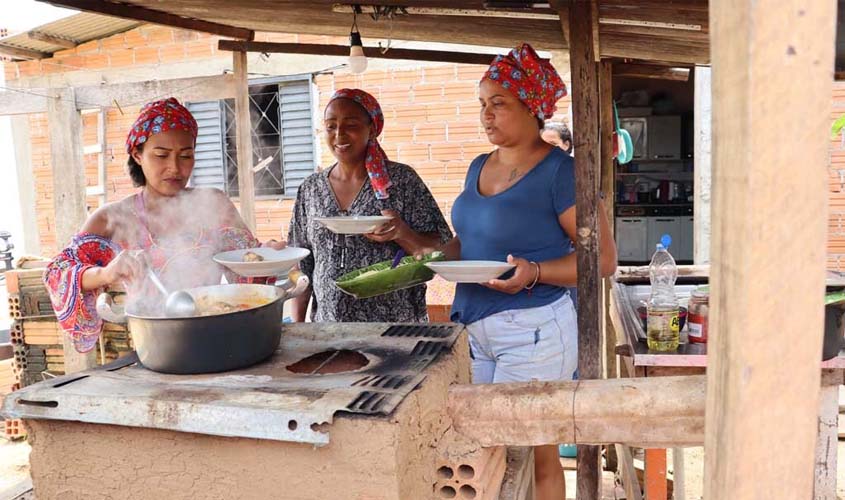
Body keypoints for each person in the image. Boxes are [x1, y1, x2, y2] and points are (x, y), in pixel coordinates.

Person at [431, 44, 617, 500]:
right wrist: (421, 252)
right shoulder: (479, 165)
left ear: (532, 108)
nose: (486, 115)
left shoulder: (561, 172)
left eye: (499, 104)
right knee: (482, 447)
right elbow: (467, 243)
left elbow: (604, 260)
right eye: (482, 104)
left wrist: (534, 271)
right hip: (472, 325)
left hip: (534, 328)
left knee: (536, 449)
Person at [43, 97, 284, 352]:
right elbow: (58, 274)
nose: (175, 168)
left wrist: (267, 255)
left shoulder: (214, 204)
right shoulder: (112, 218)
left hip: (219, 335)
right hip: (152, 345)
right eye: (161, 155)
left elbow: (248, 269)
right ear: (137, 154)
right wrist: (107, 273)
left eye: (186, 155)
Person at [287, 88, 452, 322]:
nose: (339, 134)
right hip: (329, 327)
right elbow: (302, 265)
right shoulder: (310, 189)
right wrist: (299, 326)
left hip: (394, 325)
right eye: (331, 126)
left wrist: (402, 233)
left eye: (351, 125)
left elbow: (442, 247)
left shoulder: (401, 181)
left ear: (372, 128)